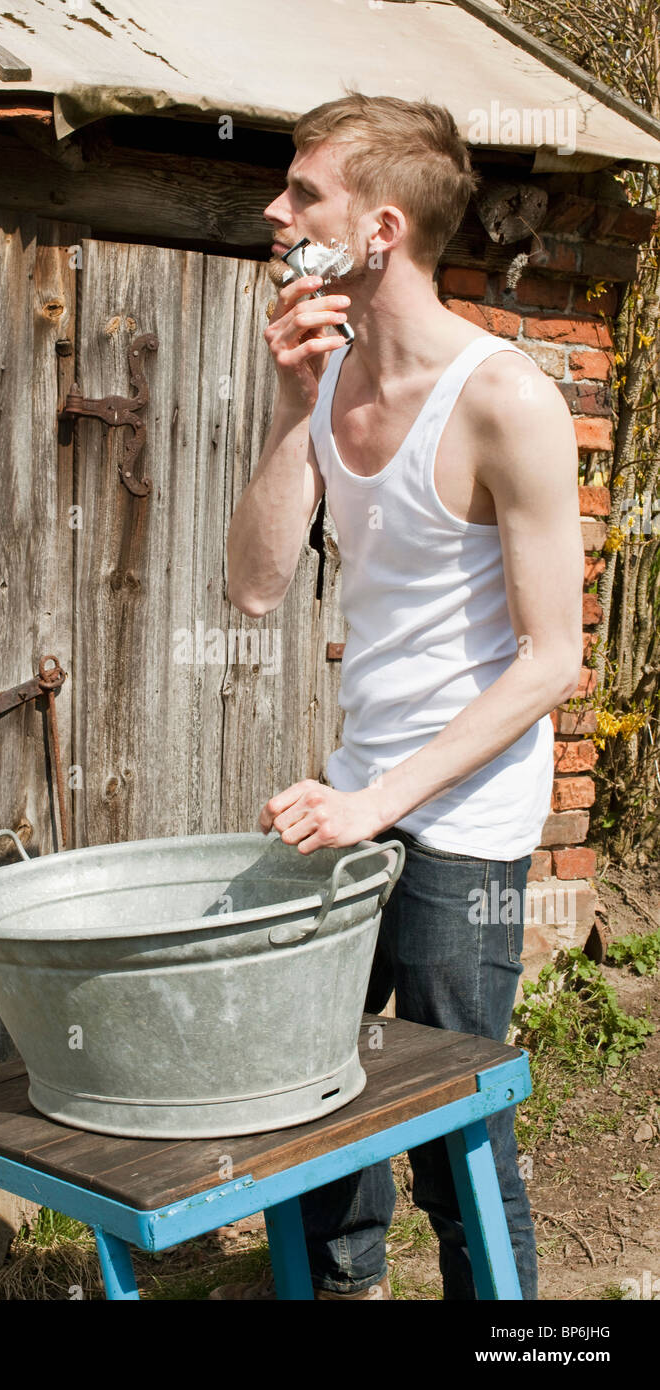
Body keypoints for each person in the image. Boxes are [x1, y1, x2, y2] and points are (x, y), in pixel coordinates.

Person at [216, 92, 584, 1301]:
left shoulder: (506, 398)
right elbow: (254, 588)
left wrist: (376, 802)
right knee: (317, 1097)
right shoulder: (321, 382)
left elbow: (549, 661)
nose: (274, 211)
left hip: (461, 824)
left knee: (451, 1132)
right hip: (359, 793)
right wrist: (284, 410)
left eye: (301, 192)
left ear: (376, 228)